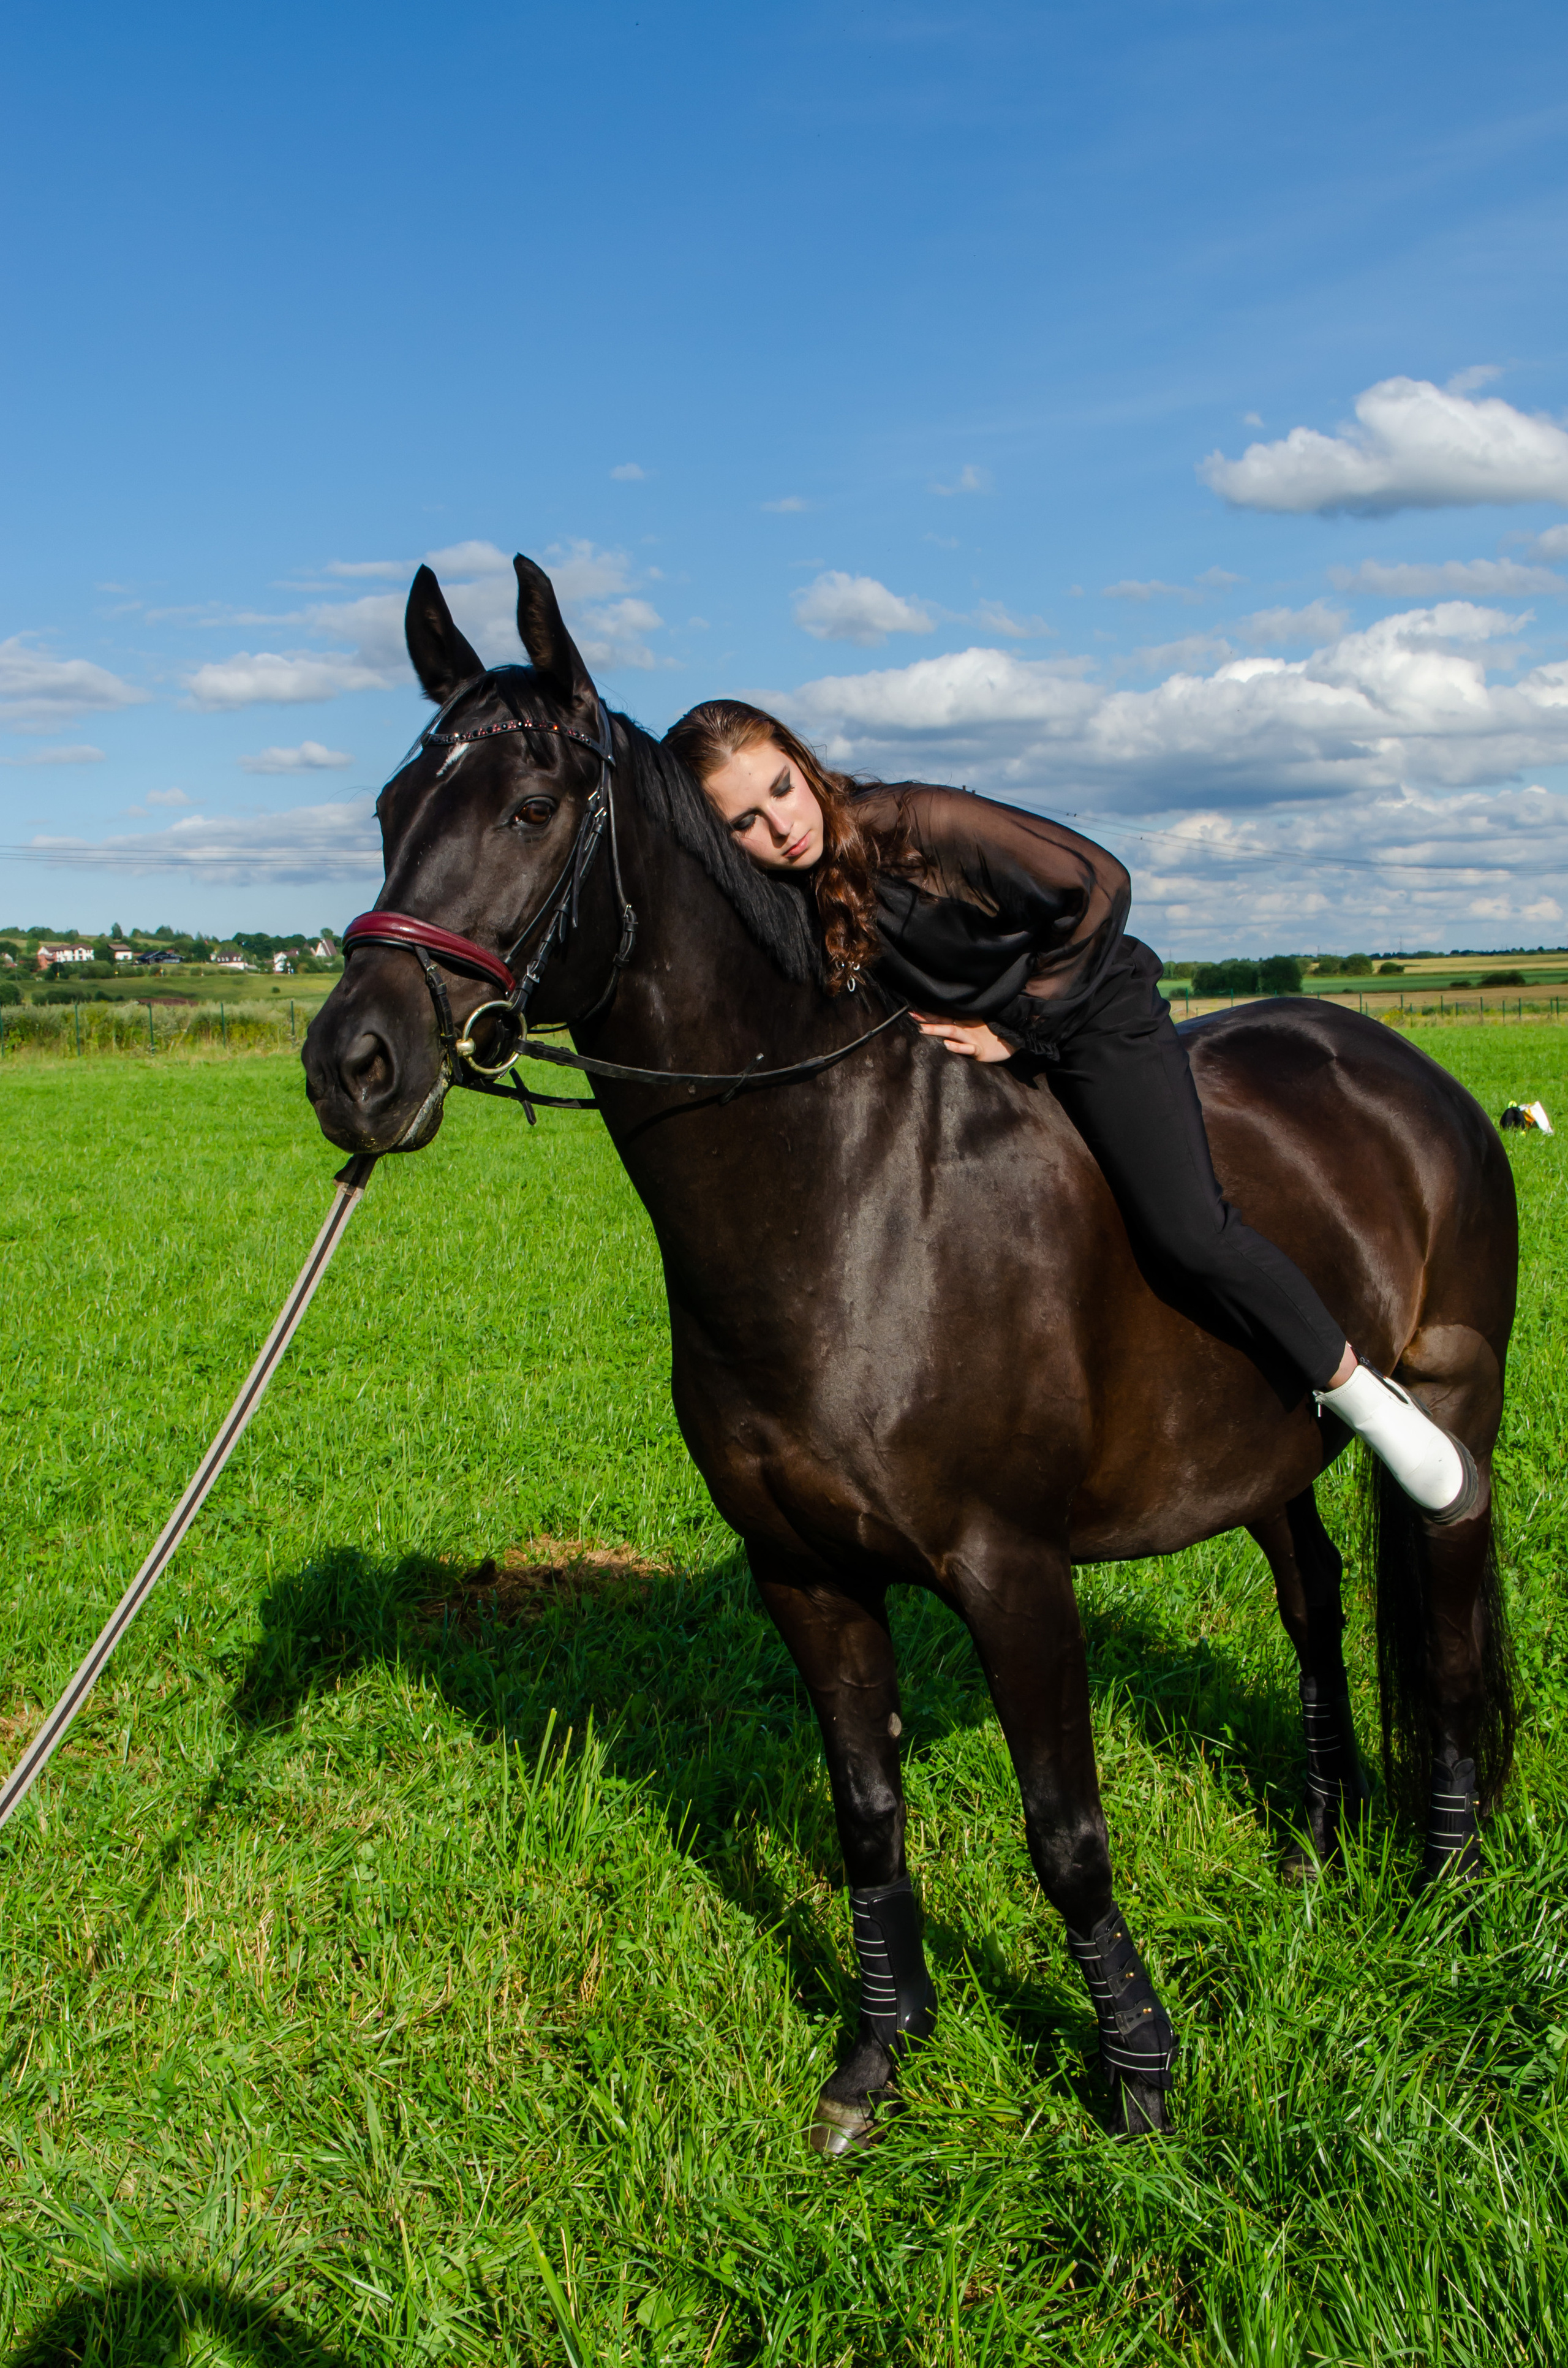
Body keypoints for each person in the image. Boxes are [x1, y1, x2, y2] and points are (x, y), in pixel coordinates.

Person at [662, 699, 1475, 1524]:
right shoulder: (788, 897)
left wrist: (1014, 1030)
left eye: (783, 788)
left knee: (1190, 1231)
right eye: (745, 822)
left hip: (1089, 1015)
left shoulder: (915, 824)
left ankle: (1368, 1401)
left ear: (803, 763)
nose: (781, 827)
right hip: (976, 1050)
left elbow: (1100, 884)